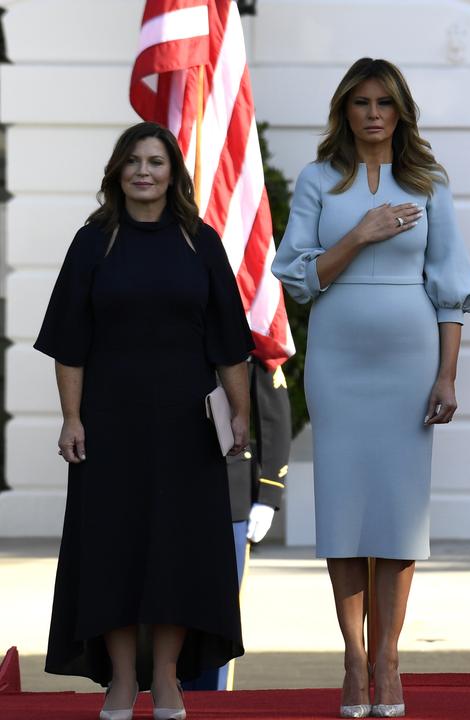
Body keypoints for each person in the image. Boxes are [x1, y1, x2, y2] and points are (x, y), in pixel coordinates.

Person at [272, 57, 470, 719]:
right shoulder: (316, 182)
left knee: (395, 511)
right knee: (343, 510)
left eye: (383, 102)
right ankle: (352, 661)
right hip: (337, 360)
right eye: (360, 102)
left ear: (400, 112)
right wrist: (359, 235)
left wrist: (447, 373)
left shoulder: (428, 184)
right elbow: (298, 277)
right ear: (345, 110)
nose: (371, 113)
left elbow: (451, 289)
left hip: (409, 360)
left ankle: (388, 658)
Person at [36, 122, 253, 720]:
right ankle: (121, 682)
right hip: (108, 426)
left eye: (156, 162)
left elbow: (231, 344)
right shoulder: (92, 242)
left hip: (187, 426)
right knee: (112, 549)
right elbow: (68, 345)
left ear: (172, 173)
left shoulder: (199, 241)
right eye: (133, 161)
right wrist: (70, 418)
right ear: (117, 171)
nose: (144, 172)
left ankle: (166, 681)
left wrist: (240, 416)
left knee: (179, 552)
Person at [181, 352, 291, 692]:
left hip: (228, 490)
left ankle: (210, 702)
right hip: (165, 485)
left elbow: (270, 406)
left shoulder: (244, 304)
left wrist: (270, 490)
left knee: (218, 613)